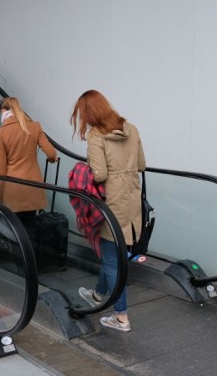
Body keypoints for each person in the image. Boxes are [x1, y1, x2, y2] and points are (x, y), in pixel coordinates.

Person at [70, 89, 145, 332]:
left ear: (89, 113)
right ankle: (99, 294)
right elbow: (141, 164)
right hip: (131, 201)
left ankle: (121, 317)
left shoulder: (96, 136)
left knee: (113, 261)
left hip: (110, 204)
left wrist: (82, 171)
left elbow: (99, 174)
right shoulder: (131, 128)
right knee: (113, 255)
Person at [0, 97, 57, 232]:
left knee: (13, 233)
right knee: (29, 230)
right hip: (33, 187)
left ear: (3, 110)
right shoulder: (35, 126)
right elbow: (51, 153)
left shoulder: (0, 133)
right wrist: (52, 160)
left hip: (12, 191)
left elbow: (0, 170)